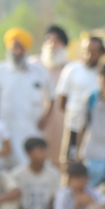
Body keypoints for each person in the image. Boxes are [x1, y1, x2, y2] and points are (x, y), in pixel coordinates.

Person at [0, 27, 53, 168]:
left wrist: (46, 117)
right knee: (5, 164)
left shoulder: (39, 71)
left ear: (27, 49)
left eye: (21, 47)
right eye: (14, 47)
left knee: (32, 162)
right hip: (5, 127)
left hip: (31, 126)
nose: (17, 51)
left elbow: (51, 96)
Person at [56, 33, 104, 163]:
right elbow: (62, 102)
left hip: (96, 129)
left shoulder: (104, 74)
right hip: (73, 125)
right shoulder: (71, 69)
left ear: (101, 53)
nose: (89, 56)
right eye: (86, 51)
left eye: (94, 52)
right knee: (69, 162)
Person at [10, 137, 60, 209]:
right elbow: (15, 200)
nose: (45, 154)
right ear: (29, 153)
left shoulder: (53, 173)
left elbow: (54, 199)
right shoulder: (17, 174)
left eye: (45, 150)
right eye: (40, 151)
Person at [40, 25, 71, 167]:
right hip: (40, 121)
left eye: (56, 40)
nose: (52, 44)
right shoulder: (35, 66)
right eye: (48, 40)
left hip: (62, 121)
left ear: (63, 44)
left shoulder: (70, 68)